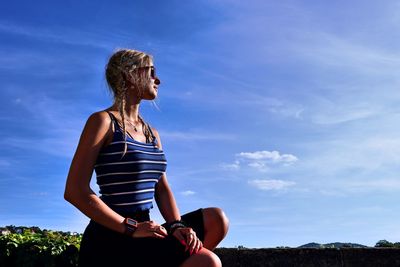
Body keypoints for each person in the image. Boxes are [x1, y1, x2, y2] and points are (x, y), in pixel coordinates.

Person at [64, 49, 229, 267]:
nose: (157, 79)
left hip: (147, 229)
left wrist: (176, 226)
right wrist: (129, 226)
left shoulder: (152, 133)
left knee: (216, 219)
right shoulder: (102, 122)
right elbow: (75, 191)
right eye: (150, 72)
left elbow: (161, 188)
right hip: (112, 236)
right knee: (208, 261)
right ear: (129, 75)